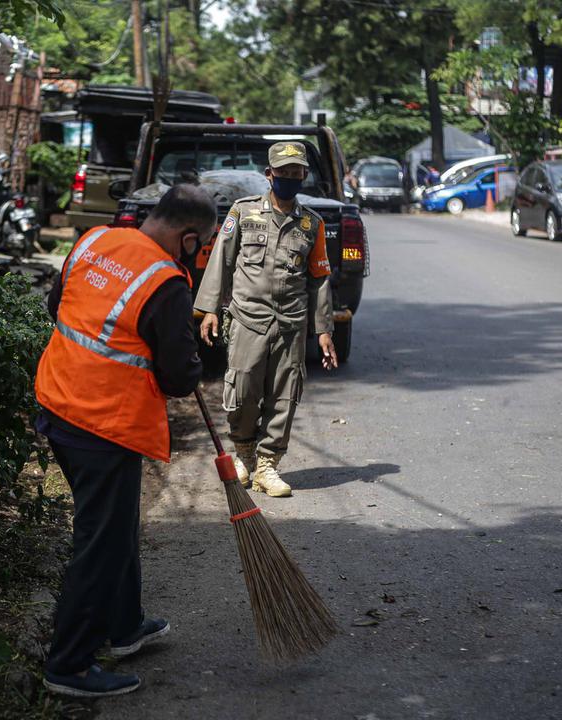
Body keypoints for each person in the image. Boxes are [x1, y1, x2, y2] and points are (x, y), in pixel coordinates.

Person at [35, 184, 217, 698]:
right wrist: (192, 361)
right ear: (186, 239)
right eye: (201, 246)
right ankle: (67, 666)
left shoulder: (94, 240)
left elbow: (58, 306)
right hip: (104, 424)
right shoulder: (166, 282)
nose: (199, 255)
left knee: (115, 526)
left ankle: (124, 626)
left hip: (58, 402)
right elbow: (180, 376)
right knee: (101, 540)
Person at [193, 141, 338, 499]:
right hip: (247, 319)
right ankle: (243, 453)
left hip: (290, 324)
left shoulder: (311, 224)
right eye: (284, 172)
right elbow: (221, 261)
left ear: (303, 176)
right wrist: (209, 308)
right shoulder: (242, 213)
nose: (291, 178)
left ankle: (267, 465)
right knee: (242, 392)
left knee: (284, 397)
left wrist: (323, 331)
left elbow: (319, 278)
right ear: (269, 175)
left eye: (297, 173)